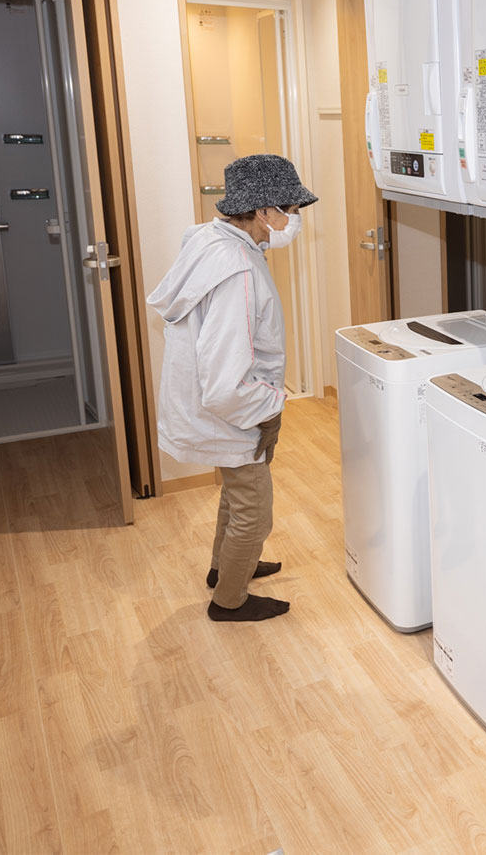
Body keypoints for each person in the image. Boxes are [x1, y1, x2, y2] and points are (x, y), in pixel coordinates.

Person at [146, 153, 317, 622]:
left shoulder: (213, 240)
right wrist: (269, 410)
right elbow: (225, 381)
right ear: (263, 211)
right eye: (290, 209)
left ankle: (226, 566)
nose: (294, 219)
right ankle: (229, 600)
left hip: (220, 405)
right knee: (254, 510)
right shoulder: (237, 270)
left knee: (235, 492)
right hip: (234, 409)